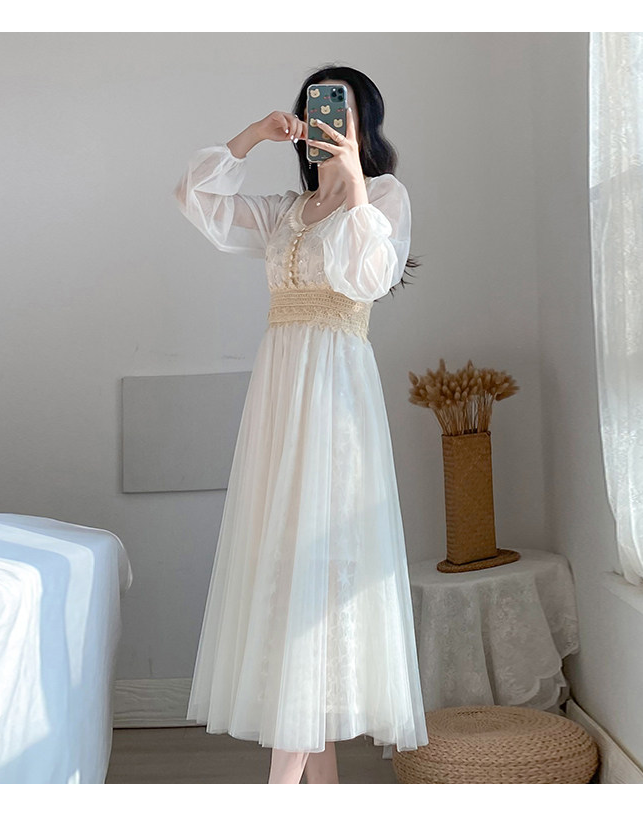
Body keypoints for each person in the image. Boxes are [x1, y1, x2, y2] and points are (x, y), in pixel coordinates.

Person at [173, 64, 428, 785]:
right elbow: (196, 198)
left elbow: (370, 276)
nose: (327, 121)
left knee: (319, 574)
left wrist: (351, 181)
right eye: (317, 109)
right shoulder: (287, 211)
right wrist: (254, 135)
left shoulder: (383, 197)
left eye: (340, 111)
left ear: (363, 123)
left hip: (336, 403)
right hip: (280, 398)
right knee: (288, 574)